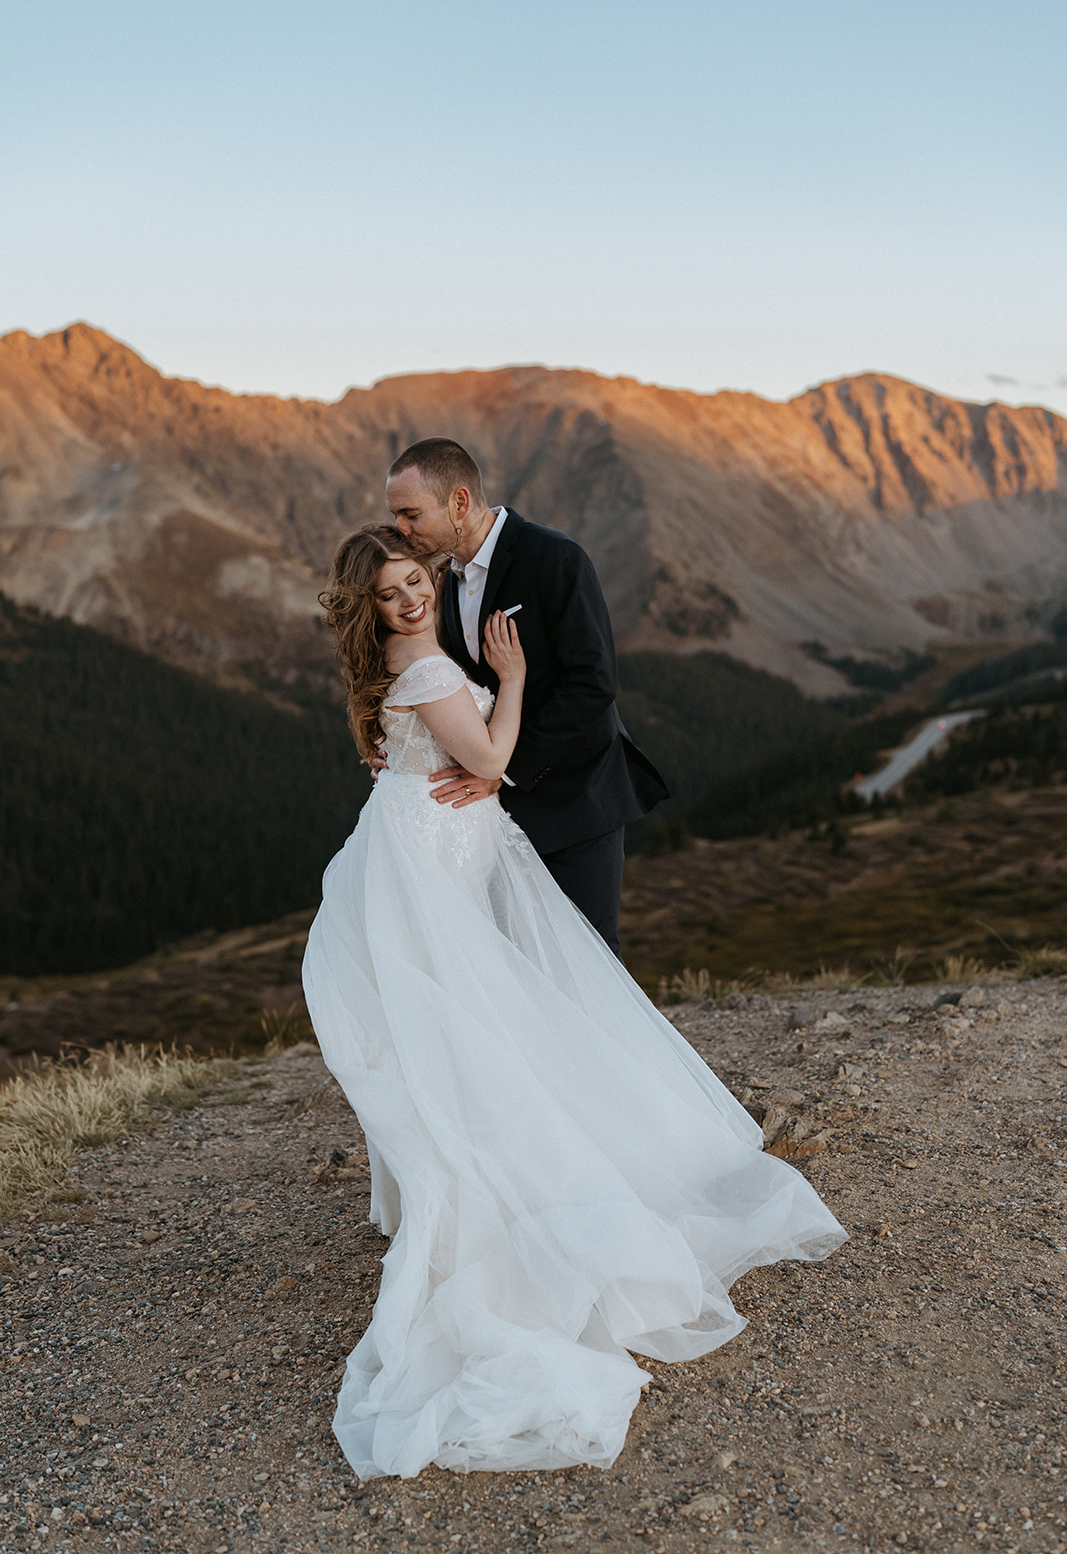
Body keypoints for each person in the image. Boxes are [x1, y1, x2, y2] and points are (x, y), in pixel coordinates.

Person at [301, 523, 847, 1483]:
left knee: (460, 1025)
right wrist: (507, 680)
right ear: (371, 607)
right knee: (485, 1020)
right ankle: (506, 1190)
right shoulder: (428, 670)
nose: (410, 601)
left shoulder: (403, 662)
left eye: (412, 583)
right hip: (436, 845)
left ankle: (446, 1183)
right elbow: (493, 760)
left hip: (418, 841)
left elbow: (421, 748)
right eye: (389, 594)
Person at [385, 437, 668, 955]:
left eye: (410, 513)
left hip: (578, 799)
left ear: (460, 502)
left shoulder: (554, 559)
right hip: (496, 817)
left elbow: (593, 682)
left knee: (587, 959)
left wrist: (502, 769)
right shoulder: (443, 582)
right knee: (521, 966)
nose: (400, 528)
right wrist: (405, 747)